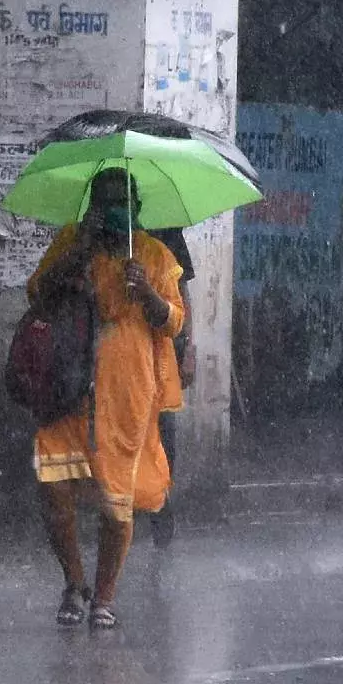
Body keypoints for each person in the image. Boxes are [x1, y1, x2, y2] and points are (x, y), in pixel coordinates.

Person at [27, 169, 183, 630]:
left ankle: (104, 597)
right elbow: (36, 291)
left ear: (136, 208)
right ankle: (74, 583)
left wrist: (148, 292)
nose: (115, 209)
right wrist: (77, 256)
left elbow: (174, 321)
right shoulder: (73, 243)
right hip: (67, 385)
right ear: (92, 206)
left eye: (123, 201)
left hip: (126, 393)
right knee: (54, 486)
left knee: (118, 501)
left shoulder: (155, 255)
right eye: (105, 200)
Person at [147, 229, 197, 549]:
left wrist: (190, 347)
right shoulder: (109, 236)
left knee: (164, 433)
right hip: (121, 352)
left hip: (166, 349)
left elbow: (183, 293)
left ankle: (161, 500)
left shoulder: (167, 231)